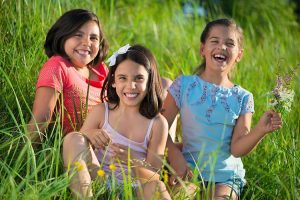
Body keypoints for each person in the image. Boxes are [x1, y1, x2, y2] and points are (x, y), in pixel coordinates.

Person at [162, 18, 282, 199]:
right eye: (215, 41)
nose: (222, 47)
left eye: (229, 43)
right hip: (188, 169)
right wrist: (175, 157)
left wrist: (260, 130)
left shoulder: (243, 97)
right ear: (203, 49)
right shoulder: (184, 85)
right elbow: (159, 126)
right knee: (180, 196)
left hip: (226, 177)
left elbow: (237, 149)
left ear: (239, 55)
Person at [63, 44, 171, 199]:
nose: (130, 86)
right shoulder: (102, 111)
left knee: (157, 187)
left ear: (149, 82)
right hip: (99, 182)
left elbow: (153, 176)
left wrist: (131, 160)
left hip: (134, 190)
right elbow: (79, 147)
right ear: (113, 81)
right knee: (73, 138)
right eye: (123, 78)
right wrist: (90, 134)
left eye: (139, 78)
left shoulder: (157, 124)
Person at [27, 9, 109, 142]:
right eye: (78, 35)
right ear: (62, 36)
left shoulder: (101, 69)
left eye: (93, 38)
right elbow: (41, 119)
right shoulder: (58, 66)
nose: (86, 42)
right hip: (77, 147)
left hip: (112, 146)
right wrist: (24, 158)